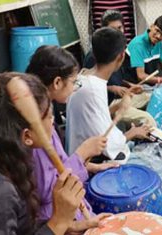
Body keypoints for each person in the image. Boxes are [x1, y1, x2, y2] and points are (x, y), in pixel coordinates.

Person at [0, 72, 96, 234]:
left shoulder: (8, 161)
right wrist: (57, 224)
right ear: (27, 136)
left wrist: (64, 227)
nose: (52, 121)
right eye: (48, 115)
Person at [66, 27, 162, 190]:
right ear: (121, 57)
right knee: (160, 165)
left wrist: (117, 109)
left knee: (139, 146)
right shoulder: (95, 89)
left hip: (78, 153)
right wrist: (133, 132)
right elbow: (109, 143)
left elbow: (94, 118)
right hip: (91, 163)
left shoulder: (84, 77)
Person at [26, 45, 115, 224]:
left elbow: (57, 164)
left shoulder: (44, 110)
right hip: (53, 218)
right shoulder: (34, 126)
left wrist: (90, 167)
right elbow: (47, 190)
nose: (75, 88)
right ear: (57, 82)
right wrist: (82, 153)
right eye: (74, 82)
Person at [83, 9, 156, 126]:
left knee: (153, 97)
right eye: (113, 30)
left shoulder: (118, 51)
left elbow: (116, 78)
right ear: (104, 32)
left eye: (120, 28)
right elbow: (86, 83)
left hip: (120, 98)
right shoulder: (95, 55)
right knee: (148, 120)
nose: (118, 33)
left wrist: (129, 86)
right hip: (108, 104)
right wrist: (112, 88)